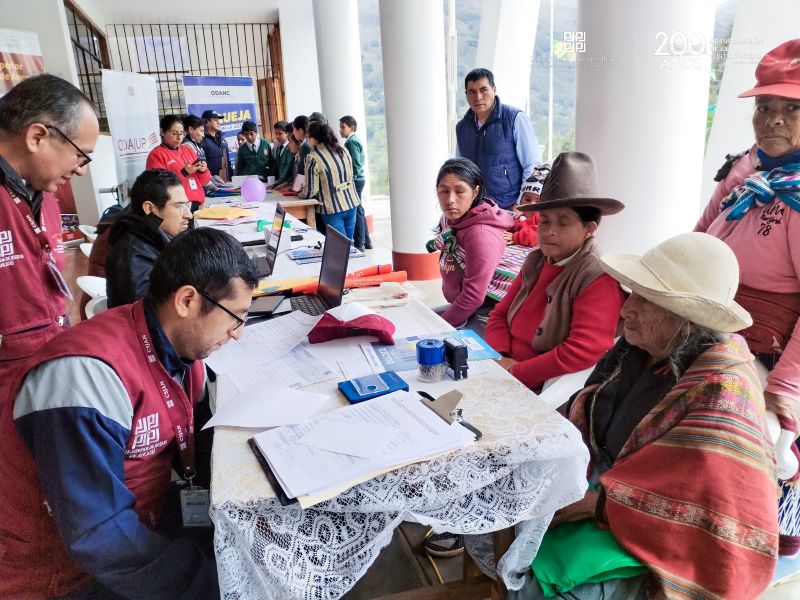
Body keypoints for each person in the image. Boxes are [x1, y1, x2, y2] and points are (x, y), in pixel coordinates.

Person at [511, 232, 778, 599]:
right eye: (631, 292)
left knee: (550, 591)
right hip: (603, 482)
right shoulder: (639, 347)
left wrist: (600, 504)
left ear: (685, 318)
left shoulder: (722, 390)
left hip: (665, 539)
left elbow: (707, 516)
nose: (625, 309)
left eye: (644, 299)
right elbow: (589, 414)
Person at [0, 227, 258, 600]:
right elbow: (97, 535)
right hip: (63, 573)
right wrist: (210, 583)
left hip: (134, 523)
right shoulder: (84, 381)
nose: (238, 334)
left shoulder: (175, 346)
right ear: (187, 301)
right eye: (236, 316)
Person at [694, 39, 800, 555]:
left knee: (746, 422)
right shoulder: (745, 168)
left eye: (792, 108)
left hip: (770, 338)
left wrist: (786, 385)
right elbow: (697, 237)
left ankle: (748, 527)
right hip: (713, 310)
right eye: (764, 106)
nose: (773, 119)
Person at [485, 153, 624, 391]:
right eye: (545, 221)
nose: (549, 231)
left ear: (589, 229)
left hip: (543, 386)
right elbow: (499, 314)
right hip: (505, 368)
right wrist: (500, 356)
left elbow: (583, 350)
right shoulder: (536, 260)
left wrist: (517, 372)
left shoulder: (597, 275)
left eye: (563, 222)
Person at [0, 73, 99, 393]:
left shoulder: (45, 198)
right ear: (37, 137)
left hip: (45, 376)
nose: (82, 169)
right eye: (80, 154)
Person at [427, 158, 513, 328]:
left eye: (459, 191)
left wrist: (439, 328)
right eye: (444, 191)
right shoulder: (450, 219)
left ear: (475, 192)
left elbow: (473, 296)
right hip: (463, 309)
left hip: (485, 314)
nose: (450, 200)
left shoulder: (480, 234)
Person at [455, 68, 541, 210]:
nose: (478, 97)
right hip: (474, 210)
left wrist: (520, 202)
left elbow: (532, 165)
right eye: (472, 91)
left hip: (508, 208)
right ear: (466, 95)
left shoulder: (514, 118)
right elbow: (460, 170)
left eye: (483, 89)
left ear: (494, 89)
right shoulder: (461, 127)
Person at [105, 169, 191, 308]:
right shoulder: (132, 257)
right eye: (179, 206)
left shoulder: (153, 238)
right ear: (149, 208)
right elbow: (153, 317)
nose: (189, 214)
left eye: (187, 205)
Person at [300, 120, 361, 240]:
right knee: (349, 245)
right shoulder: (343, 150)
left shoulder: (313, 158)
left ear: (312, 139)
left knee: (340, 246)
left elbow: (310, 191)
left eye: (307, 138)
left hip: (332, 208)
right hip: (351, 203)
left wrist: (301, 193)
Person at [146, 114, 210, 212]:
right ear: (163, 132)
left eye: (182, 133)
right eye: (174, 133)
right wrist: (184, 172)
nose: (179, 137)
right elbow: (158, 186)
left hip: (198, 205)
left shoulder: (188, 150)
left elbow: (204, 181)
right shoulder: (156, 155)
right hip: (178, 209)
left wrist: (202, 171)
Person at [339, 115, 372, 251]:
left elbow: (356, 164)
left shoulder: (351, 142)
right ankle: (366, 241)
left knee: (356, 211)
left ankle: (360, 244)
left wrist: (349, 179)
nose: (340, 130)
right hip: (358, 179)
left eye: (343, 127)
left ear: (351, 128)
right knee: (359, 210)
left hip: (356, 180)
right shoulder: (351, 140)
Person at [504, 162, 551, 247]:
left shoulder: (544, 219)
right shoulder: (518, 215)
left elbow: (539, 234)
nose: (532, 204)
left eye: (539, 202)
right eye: (527, 199)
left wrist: (516, 237)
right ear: (521, 200)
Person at [183, 114, 216, 195]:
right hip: (195, 188)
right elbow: (196, 169)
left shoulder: (195, 143)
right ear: (190, 129)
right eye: (201, 131)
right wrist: (210, 185)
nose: (203, 135)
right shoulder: (188, 146)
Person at [201, 109, 232, 182]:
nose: (218, 122)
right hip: (211, 184)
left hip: (226, 182)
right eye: (215, 120)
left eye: (218, 120)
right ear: (206, 122)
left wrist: (231, 177)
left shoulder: (222, 139)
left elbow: (227, 161)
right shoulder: (201, 140)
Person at [271, 120, 294, 188]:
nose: (277, 136)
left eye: (280, 133)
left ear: (287, 133)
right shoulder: (278, 148)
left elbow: (289, 169)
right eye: (276, 133)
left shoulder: (292, 148)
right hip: (280, 184)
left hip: (288, 185)